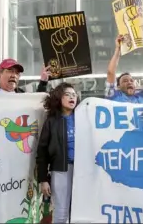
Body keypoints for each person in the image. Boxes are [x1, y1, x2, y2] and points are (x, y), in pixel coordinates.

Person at [36, 82, 80, 223]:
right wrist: (43, 179)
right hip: (61, 170)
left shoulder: (83, 118)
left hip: (83, 171)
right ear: (59, 98)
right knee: (61, 212)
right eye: (67, 94)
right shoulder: (51, 122)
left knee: (79, 211)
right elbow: (42, 152)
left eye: (74, 94)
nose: (72, 97)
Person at [105, 35, 143, 103]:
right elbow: (110, 73)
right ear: (118, 87)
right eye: (125, 81)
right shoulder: (113, 96)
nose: (129, 82)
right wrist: (118, 49)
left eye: (131, 81)